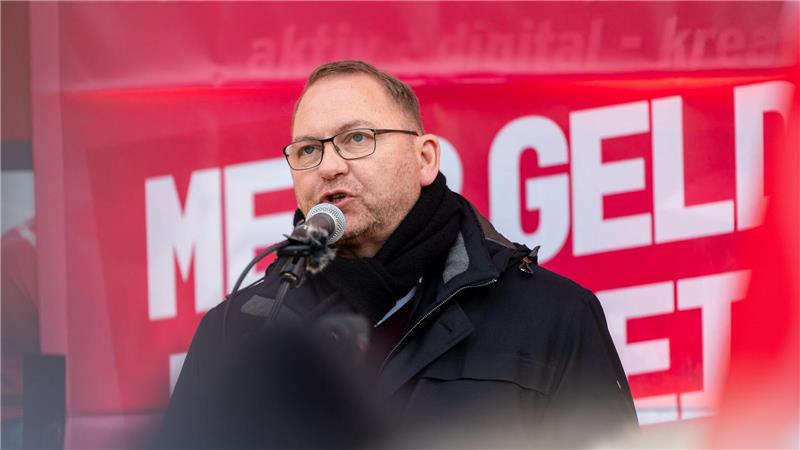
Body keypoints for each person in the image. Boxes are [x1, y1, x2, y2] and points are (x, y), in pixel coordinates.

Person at [160, 60, 638, 448]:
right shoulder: (236, 331)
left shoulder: (552, 315)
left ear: (424, 158)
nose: (328, 166)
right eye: (307, 150)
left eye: (356, 138)